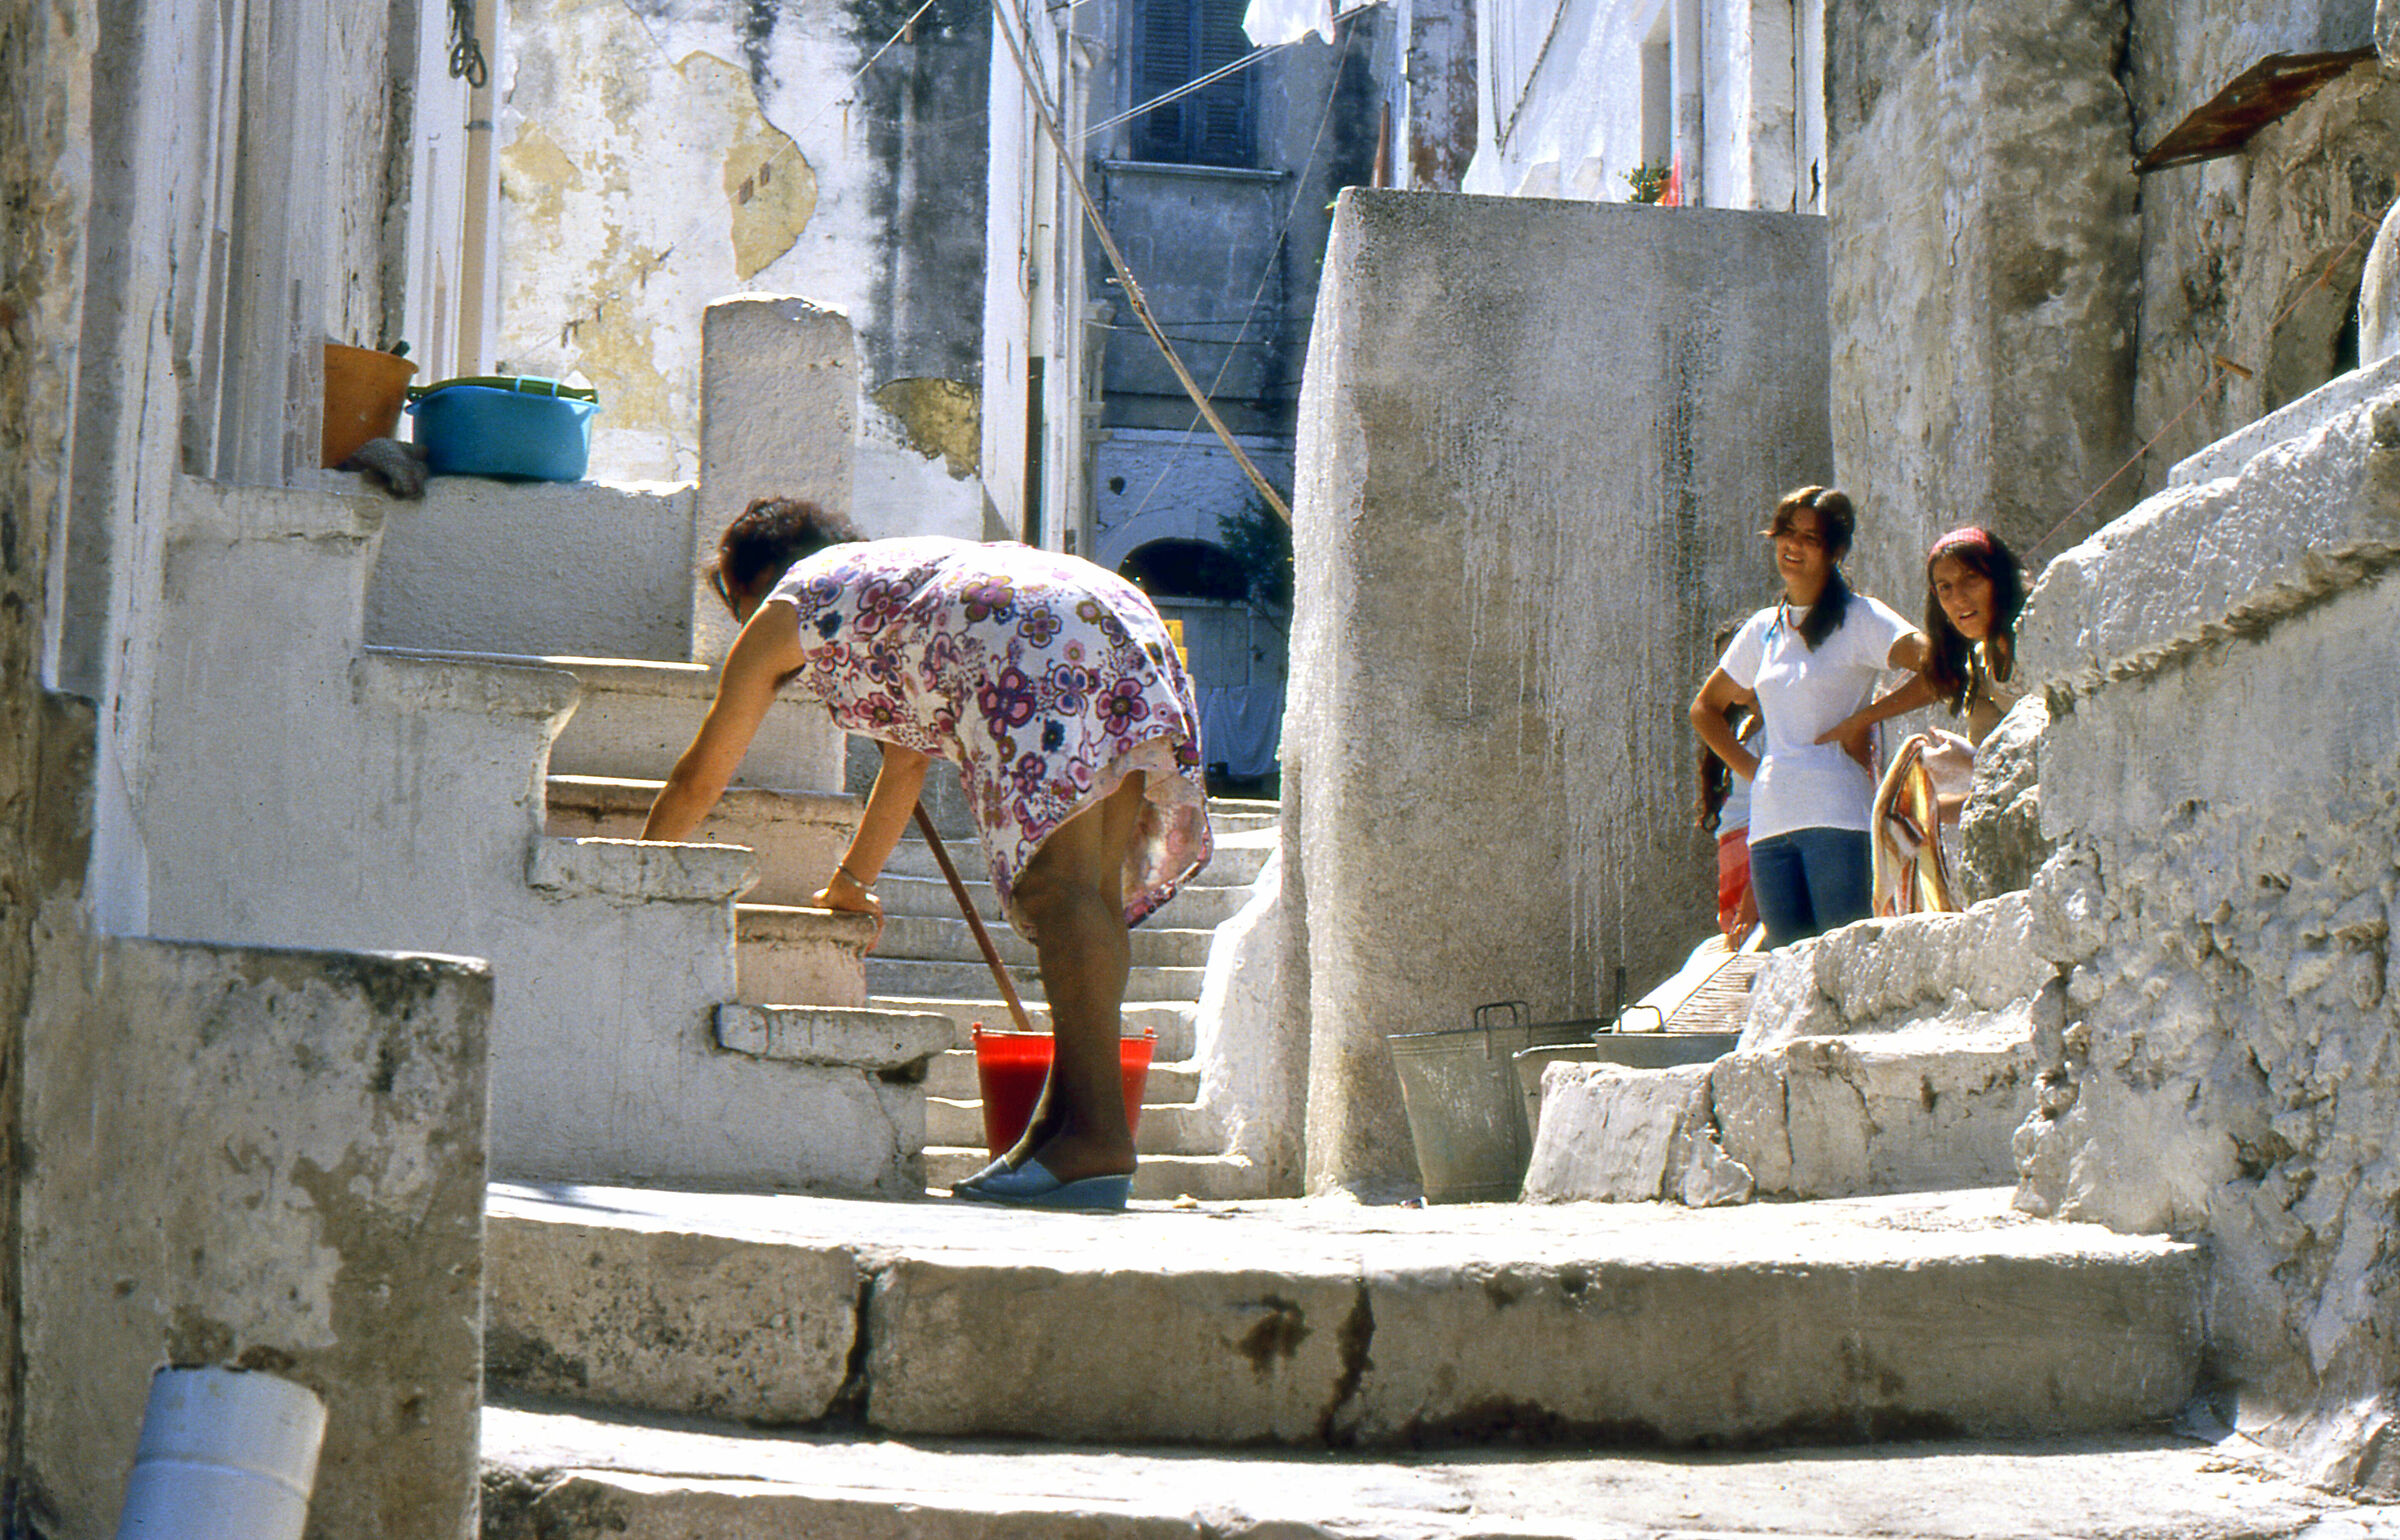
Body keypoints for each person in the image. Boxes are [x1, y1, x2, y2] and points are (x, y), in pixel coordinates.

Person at [641, 497, 1212, 1211]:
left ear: (747, 582)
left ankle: (1096, 1137)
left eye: (733, 604)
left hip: (1031, 633)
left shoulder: (792, 603)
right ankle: (1060, 1131)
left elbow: (702, 776)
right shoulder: (890, 588)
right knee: (1091, 890)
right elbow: (904, 768)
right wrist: (850, 884)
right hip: (1114, 616)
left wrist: (638, 879)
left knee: (1055, 891)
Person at [1688, 486, 1928, 947]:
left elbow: (1937, 666)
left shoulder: (1861, 618)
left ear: (1836, 550)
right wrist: (1755, 772)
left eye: (1809, 538)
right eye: (1785, 532)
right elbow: (1705, 710)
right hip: (1771, 824)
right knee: (1788, 969)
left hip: (1838, 815)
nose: (1791, 546)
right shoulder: (1763, 628)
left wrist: (1862, 720)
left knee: (1843, 958)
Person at [1815, 526, 2027, 914]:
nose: (1958, 597)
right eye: (1944, 588)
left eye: (1971, 579)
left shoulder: (2028, 641)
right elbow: (1938, 679)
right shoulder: (1979, 659)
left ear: (1998, 580)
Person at [1696, 620, 1763, 944]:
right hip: (1738, 852)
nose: (1732, 674)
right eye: (1725, 665)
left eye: (1739, 659)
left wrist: (1754, 895)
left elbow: (1777, 814)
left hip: (1759, 861)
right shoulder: (1746, 726)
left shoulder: (1778, 727)